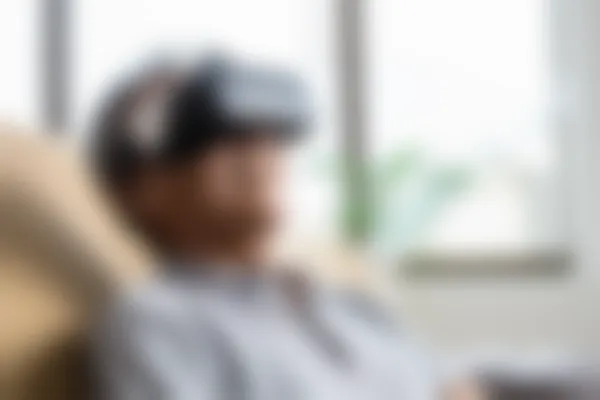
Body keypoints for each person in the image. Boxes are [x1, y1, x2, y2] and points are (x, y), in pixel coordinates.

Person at [91, 56, 464, 400]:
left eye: (268, 135)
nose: (260, 151)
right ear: (143, 187)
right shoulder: (162, 322)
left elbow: (455, 383)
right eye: (219, 134)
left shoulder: (349, 305)